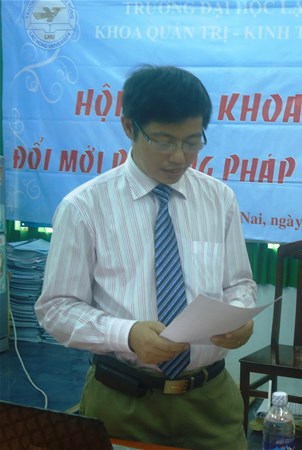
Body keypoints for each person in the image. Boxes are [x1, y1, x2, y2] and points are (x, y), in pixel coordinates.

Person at [35, 65, 257, 449]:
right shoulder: (84, 207)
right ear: (129, 127)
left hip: (211, 402)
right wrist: (127, 334)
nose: (179, 157)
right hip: (122, 401)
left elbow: (238, 282)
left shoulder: (219, 198)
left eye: (192, 141)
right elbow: (56, 308)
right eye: (164, 141)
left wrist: (240, 315)